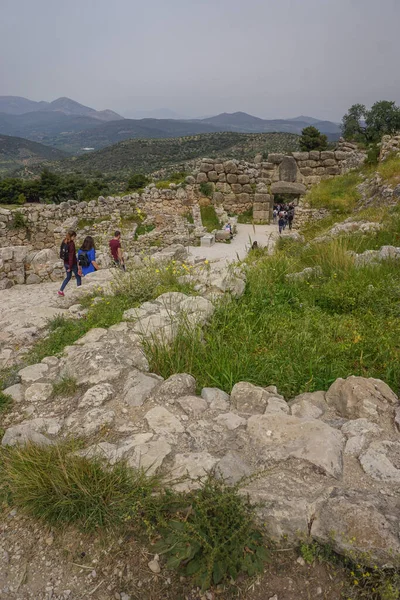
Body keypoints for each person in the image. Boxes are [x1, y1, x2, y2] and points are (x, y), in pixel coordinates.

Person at [58, 230, 81, 296]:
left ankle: (61, 290)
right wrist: (70, 267)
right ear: (72, 236)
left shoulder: (64, 241)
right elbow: (71, 255)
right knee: (78, 276)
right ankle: (79, 291)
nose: (75, 238)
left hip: (65, 263)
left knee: (68, 277)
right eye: (74, 237)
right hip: (72, 264)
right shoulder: (71, 244)